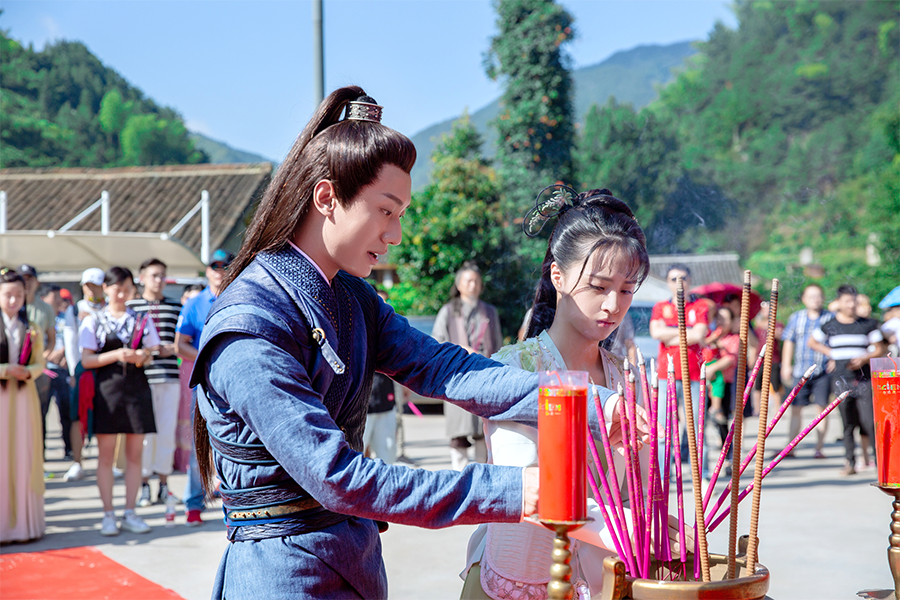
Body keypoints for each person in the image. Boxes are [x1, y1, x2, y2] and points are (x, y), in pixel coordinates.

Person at [190, 86, 629, 599]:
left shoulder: (353, 297)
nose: (396, 234)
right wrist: (515, 490)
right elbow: (337, 478)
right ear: (327, 198)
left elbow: (447, 369)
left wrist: (598, 404)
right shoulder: (249, 325)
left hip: (353, 557)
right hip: (281, 571)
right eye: (386, 210)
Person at [460, 186, 662, 598]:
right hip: (518, 577)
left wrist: (660, 529)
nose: (612, 305)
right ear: (558, 276)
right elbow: (529, 491)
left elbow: (639, 491)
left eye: (626, 290)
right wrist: (631, 529)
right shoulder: (514, 370)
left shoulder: (631, 381)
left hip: (603, 579)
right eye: (598, 286)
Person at [79, 267, 159, 536]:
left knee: (135, 455)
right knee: (105, 455)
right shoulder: (94, 320)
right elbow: (87, 360)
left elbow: (151, 352)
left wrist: (142, 357)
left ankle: (130, 511)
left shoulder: (141, 319)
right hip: (107, 391)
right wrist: (117, 355)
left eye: (127, 288)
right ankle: (108, 514)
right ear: (107, 288)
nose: (122, 293)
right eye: (116, 287)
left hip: (137, 390)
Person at [175, 250, 232, 525]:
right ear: (207, 270)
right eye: (215, 265)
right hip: (203, 385)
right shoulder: (194, 303)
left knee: (234, 445)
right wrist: (207, 356)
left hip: (236, 385)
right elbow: (180, 344)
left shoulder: (242, 295)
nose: (220, 270)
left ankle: (233, 502)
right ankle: (194, 503)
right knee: (200, 446)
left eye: (226, 265)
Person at [809, 285, 886, 475]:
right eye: (847, 301)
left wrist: (864, 358)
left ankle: (879, 463)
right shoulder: (830, 324)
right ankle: (849, 462)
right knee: (847, 423)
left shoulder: (868, 324)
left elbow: (880, 349)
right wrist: (831, 353)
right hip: (841, 380)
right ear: (839, 303)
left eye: (854, 301)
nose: (851, 305)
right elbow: (812, 342)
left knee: (869, 421)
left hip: (864, 379)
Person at [433, 262, 503, 470]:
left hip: (485, 377)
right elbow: (436, 342)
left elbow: (498, 345)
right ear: (459, 284)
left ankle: (483, 474)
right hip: (457, 377)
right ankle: (460, 477)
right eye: (468, 281)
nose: (473, 285)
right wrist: (460, 349)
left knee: (484, 431)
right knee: (459, 434)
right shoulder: (448, 311)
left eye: (476, 281)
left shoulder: (489, 312)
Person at [127, 258, 182, 506]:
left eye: (162, 275)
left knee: (166, 433)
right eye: (153, 275)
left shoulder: (175, 306)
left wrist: (173, 348)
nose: (158, 280)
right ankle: (143, 484)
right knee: (144, 434)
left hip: (170, 377)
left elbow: (183, 341)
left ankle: (163, 484)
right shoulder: (132, 306)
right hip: (142, 378)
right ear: (142, 278)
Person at [649, 264, 710, 478]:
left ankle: (701, 475)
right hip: (666, 373)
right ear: (667, 282)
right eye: (674, 279)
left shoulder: (700, 306)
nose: (679, 283)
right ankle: (662, 473)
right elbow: (655, 333)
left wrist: (671, 335)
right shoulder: (660, 307)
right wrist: (687, 333)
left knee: (696, 425)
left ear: (690, 280)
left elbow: (700, 334)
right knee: (664, 427)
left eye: (683, 278)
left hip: (694, 374)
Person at [0, 268, 46, 543]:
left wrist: (30, 372)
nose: (14, 300)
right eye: (8, 295)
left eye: (19, 295)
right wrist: (7, 370)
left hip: (23, 398)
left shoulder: (32, 327)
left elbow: (40, 362)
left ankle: (24, 526)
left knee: (23, 456)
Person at [780, 283, 833, 459]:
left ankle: (819, 448)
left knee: (822, 409)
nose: (815, 299)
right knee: (795, 408)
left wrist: (833, 358)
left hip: (823, 370)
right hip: (800, 370)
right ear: (804, 299)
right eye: (811, 296)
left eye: (818, 296)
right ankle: (790, 447)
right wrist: (786, 365)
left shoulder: (830, 318)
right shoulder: (796, 317)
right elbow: (789, 341)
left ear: (823, 298)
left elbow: (837, 342)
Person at [19, 265, 55, 459]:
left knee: (39, 416)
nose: (26, 282)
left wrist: (43, 358)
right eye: (22, 278)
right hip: (14, 371)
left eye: (29, 278)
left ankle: (38, 460)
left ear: (36, 282)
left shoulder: (45, 308)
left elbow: (52, 338)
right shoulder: (11, 305)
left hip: (38, 371)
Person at [39, 285, 78, 461]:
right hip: (43, 372)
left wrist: (62, 353)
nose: (58, 301)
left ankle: (70, 449)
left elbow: (73, 339)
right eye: (54, 297)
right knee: (41, 414)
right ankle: (40, 452)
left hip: (63, 371)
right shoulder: (39, 319)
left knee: (67, 412)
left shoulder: (66, 318)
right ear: (44, 299)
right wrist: (47, 355)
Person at [174, 283, 204, 472]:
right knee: (190, 424)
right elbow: (180, 345)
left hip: (204, 371)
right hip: (191, 371)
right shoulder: (194, 305)